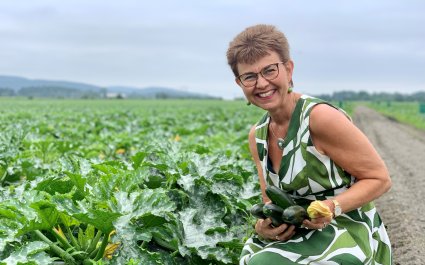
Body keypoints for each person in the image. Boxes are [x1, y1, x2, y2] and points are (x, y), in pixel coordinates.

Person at [226, 24, 392, 265]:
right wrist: (263, 227)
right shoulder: (258, 136)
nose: (261, 84)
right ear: (240, 84)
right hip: (294, 232)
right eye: (249, 76)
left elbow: (380, 179)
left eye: (269, 71)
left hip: (343, 228)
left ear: (289, 69)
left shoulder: (320, 118)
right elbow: (270, 201)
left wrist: (331, 207)